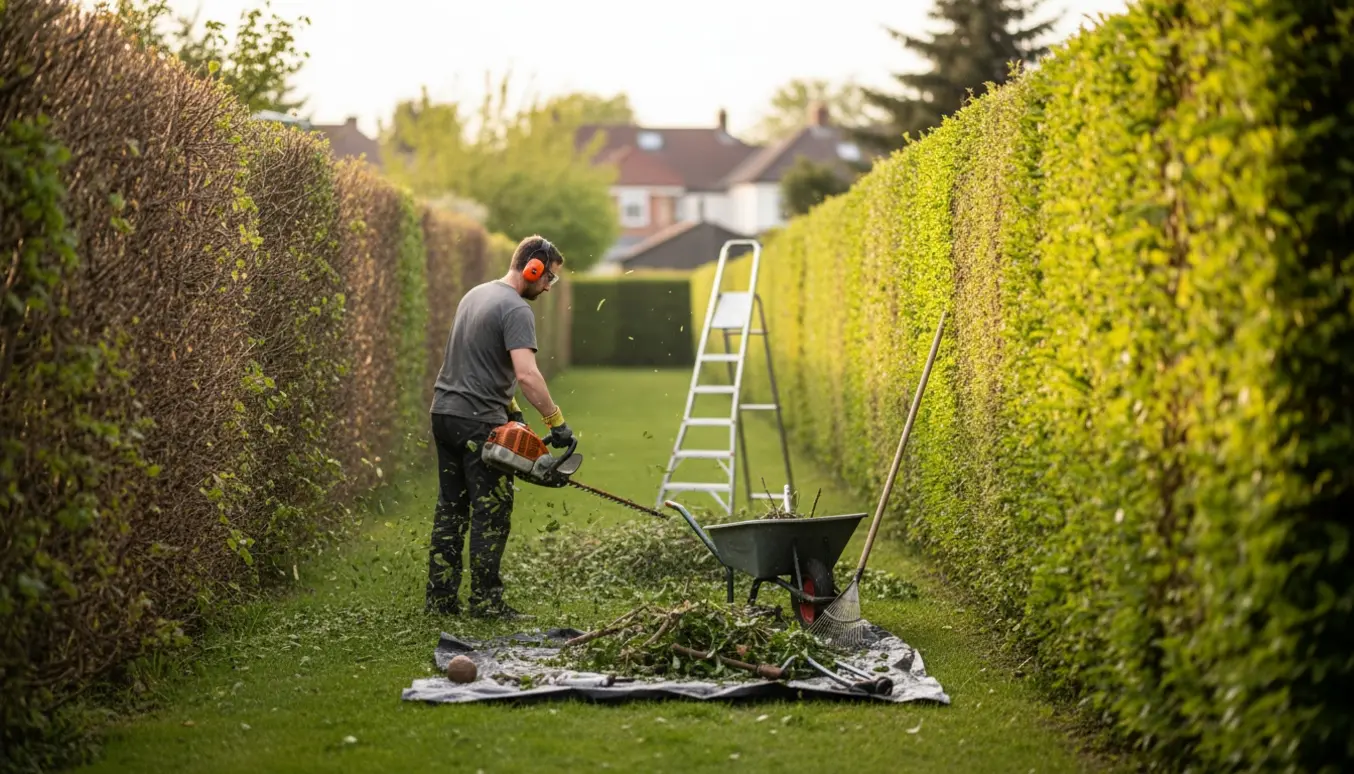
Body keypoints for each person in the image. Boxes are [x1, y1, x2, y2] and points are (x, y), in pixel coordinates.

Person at [425, 234, 573, 619]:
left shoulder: (475, 295)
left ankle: (439, 600)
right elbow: (527, 375)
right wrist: (555, 423)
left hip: (444, 413)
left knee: (451, 509)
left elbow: (479, 363)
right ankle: (487, 603)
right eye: (548, 278)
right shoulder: (517, 310)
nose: (547, 286)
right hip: (477, 422)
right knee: (491, 511)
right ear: (533, 267)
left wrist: (512, 413)